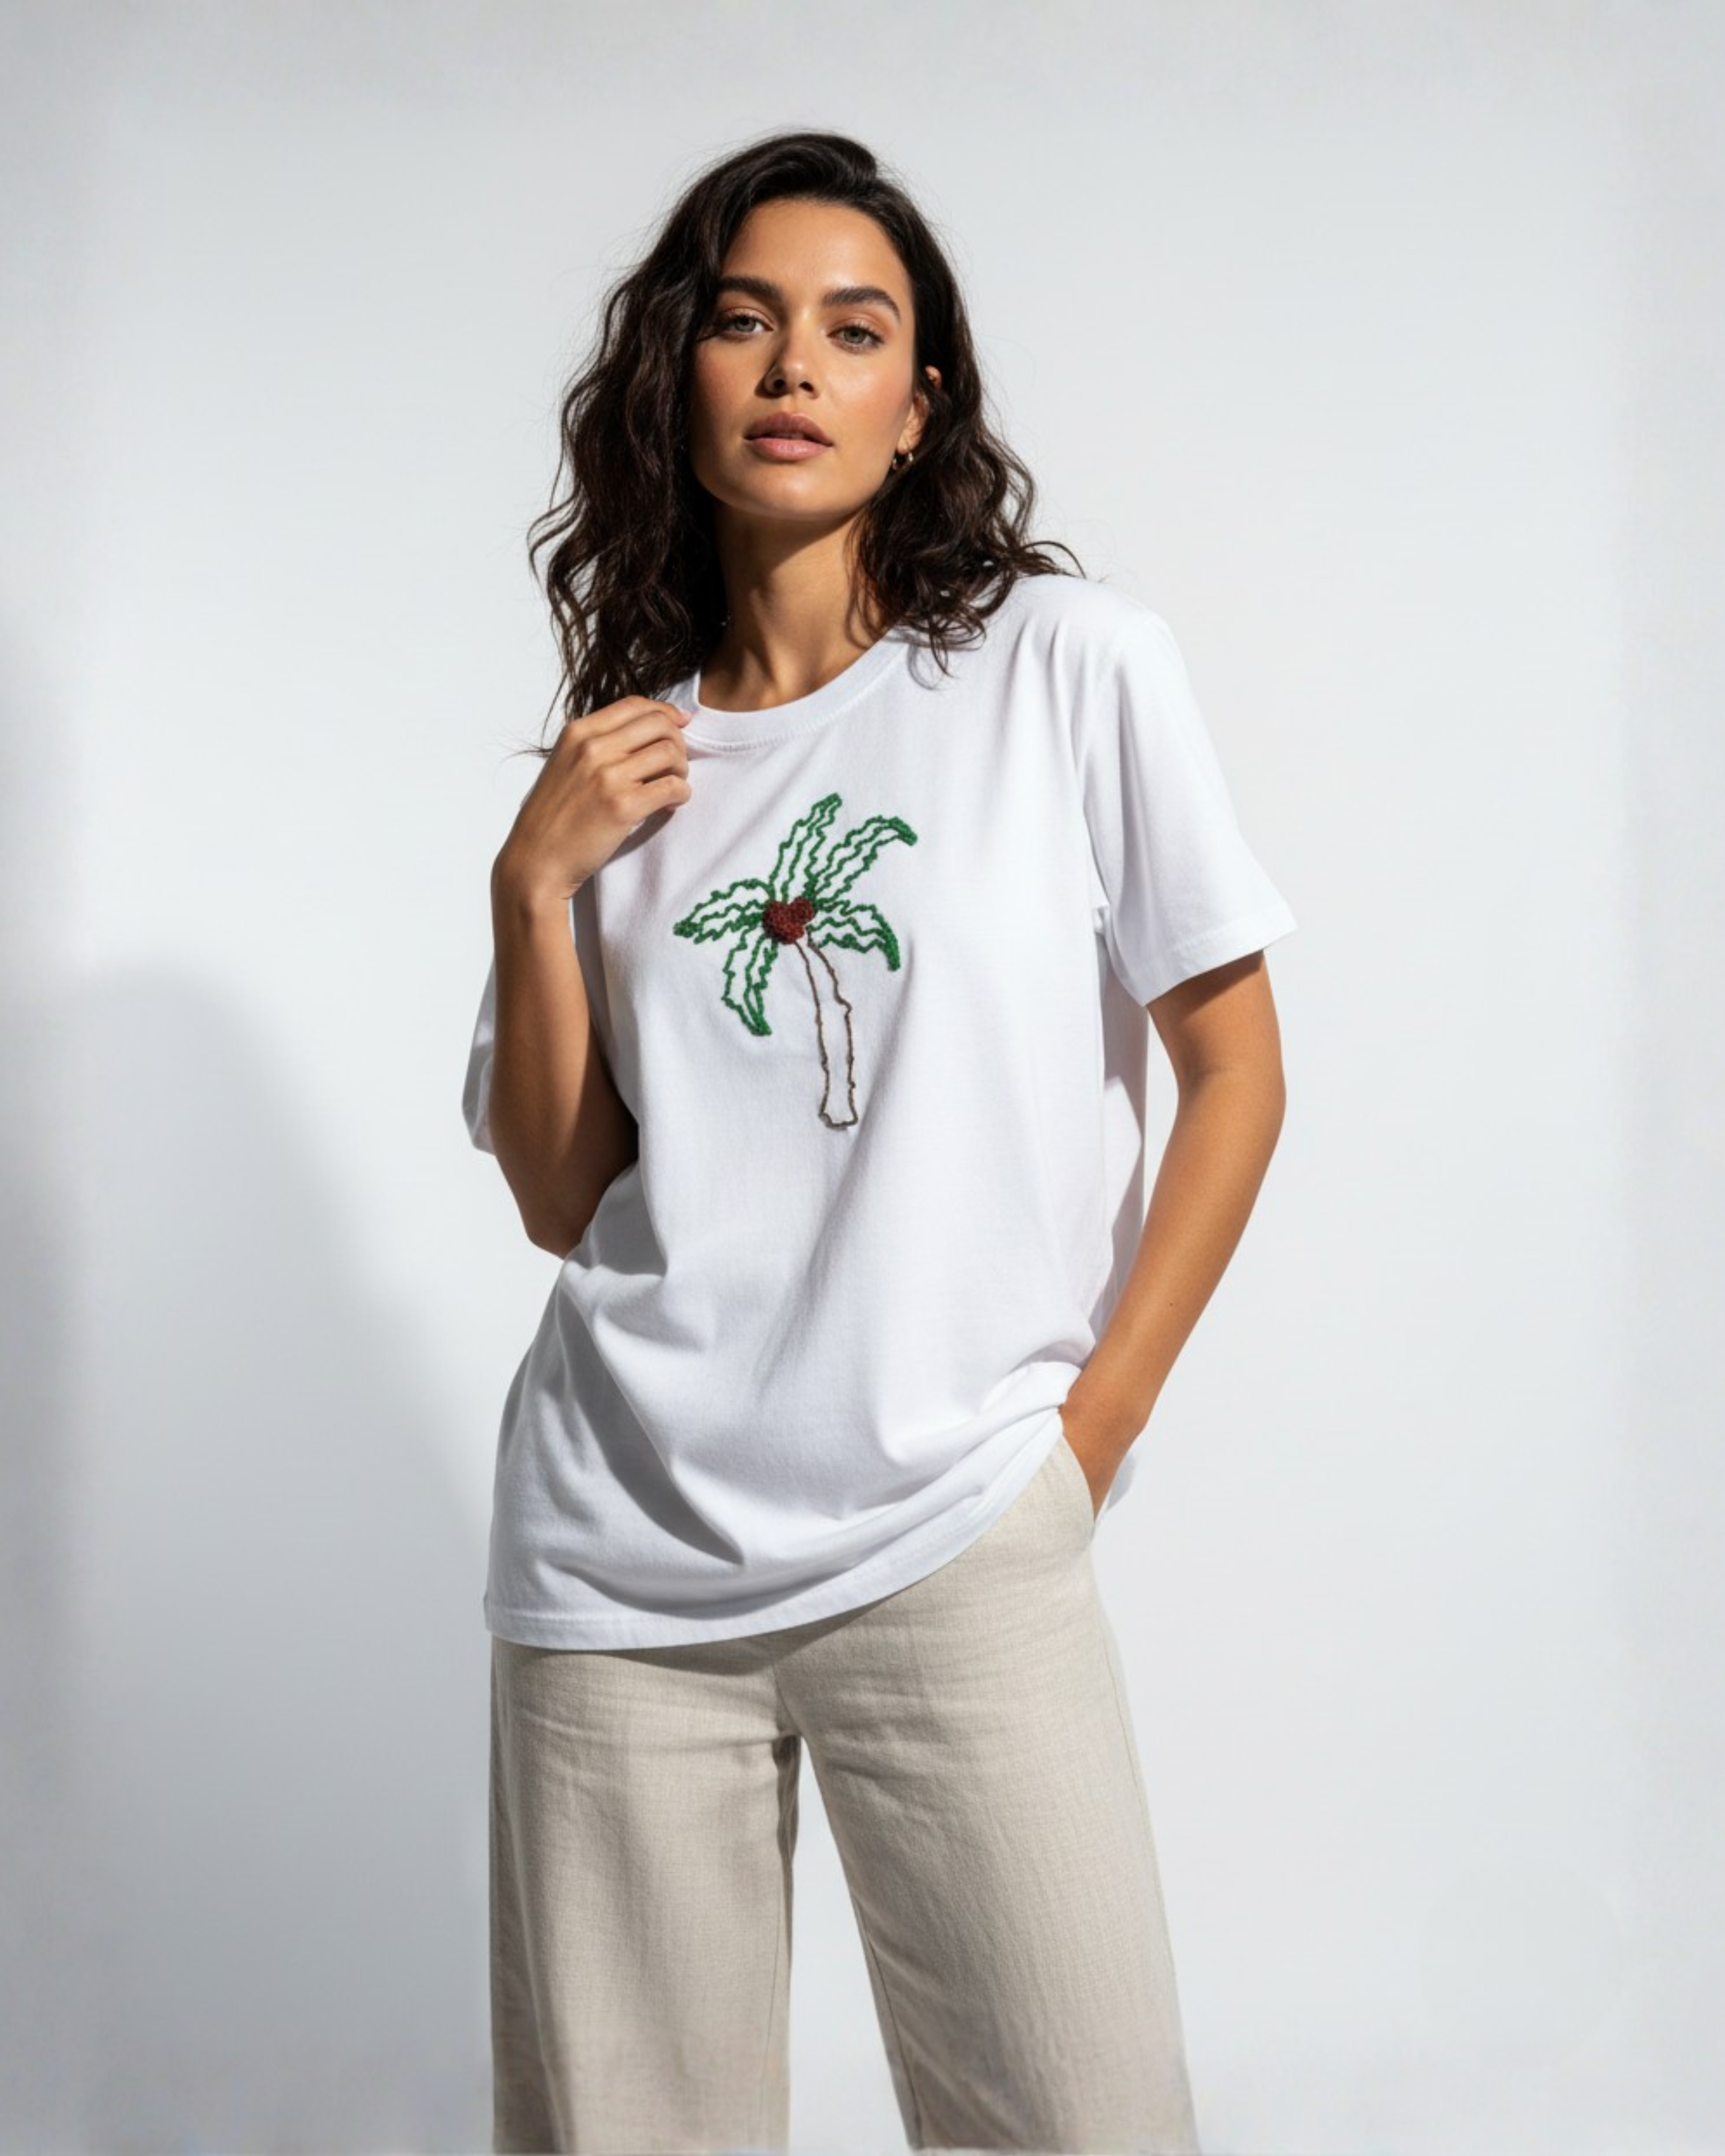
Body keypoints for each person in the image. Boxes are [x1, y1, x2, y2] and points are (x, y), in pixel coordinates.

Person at [462, 127, 1296, 2156]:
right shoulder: (625, 752)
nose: (793, 367)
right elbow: (573, 1200)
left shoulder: (1065, 669)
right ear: (679, 372)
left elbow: (1238, 1066)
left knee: (1083, 2121)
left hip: (959, 1527)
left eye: (855, 330)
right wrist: (530, 888)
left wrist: (1086, 1438)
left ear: (920, 408)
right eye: (744, 321)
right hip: (622, 1569)